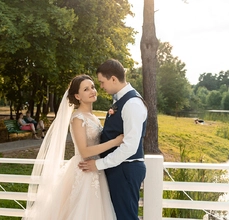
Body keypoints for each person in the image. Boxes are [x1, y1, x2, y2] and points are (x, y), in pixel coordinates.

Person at [23, 74, 123, 220]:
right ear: (77, 96)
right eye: (86, 89)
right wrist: (115, 142)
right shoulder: (77, 118)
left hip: (96, 169)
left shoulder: (93, 117)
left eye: (93, 87)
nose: (92, 91)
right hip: (84, 170)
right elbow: (84, 150)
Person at [79, 59, 148, 219]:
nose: (101, 87)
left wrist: (98, 164)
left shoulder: (132, 104)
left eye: (102, 82)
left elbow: (129, 146)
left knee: (126, 217)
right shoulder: (120, 100)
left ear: (113, 79)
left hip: (125, 169)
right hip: (118, 168)